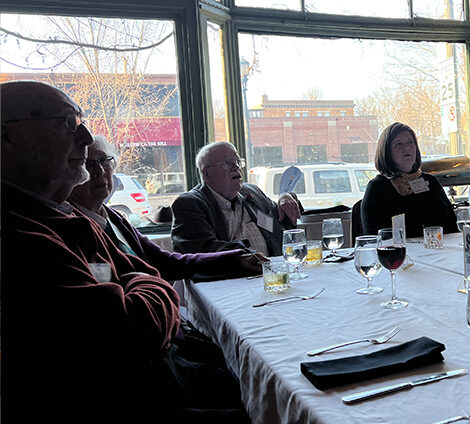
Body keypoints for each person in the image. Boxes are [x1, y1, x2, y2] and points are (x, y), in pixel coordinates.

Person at [1, 81, 183, 422]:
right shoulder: (18, 235)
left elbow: (146, 278)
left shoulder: (65, 217)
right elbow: (133, 333)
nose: (84, 136)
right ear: (7, 137)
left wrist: (137, 285)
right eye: (67, 123)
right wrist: (146, 284)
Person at [69, 136, 265, 282]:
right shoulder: (70, 228)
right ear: (68, 172)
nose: (100, 171)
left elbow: (167, 262)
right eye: (88, 163)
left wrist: (236, 259)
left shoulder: (111, 217)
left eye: (104, 161)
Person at [171, 141, 302, 255]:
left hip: (270, 273)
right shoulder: (190, 204)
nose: (236, 167)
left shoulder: (251, 192)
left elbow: (283, 221)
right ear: (206, 173)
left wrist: (286, 197)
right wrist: (249, 252)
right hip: (225, 280)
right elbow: (201, 251)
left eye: (238, 162)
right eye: (227, 163)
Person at [361, 122, 458, 238]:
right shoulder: (378, 188)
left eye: (410, 142)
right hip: (399, 254)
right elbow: (373, 238)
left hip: (438, 251)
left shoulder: (430, 182)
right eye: (398, 144)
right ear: (386, 152)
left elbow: (452, 227)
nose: (406, 147)